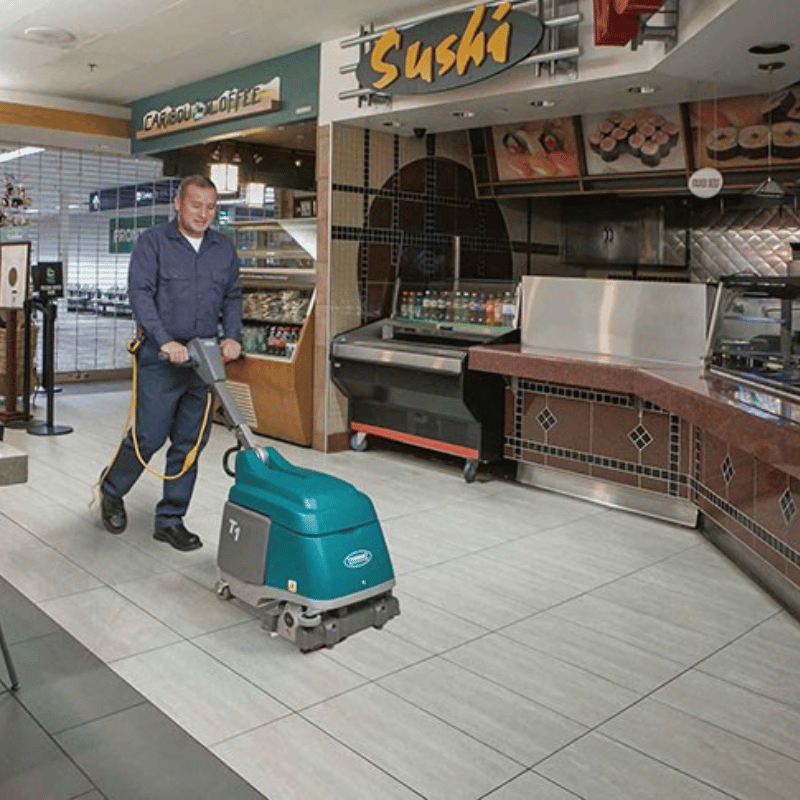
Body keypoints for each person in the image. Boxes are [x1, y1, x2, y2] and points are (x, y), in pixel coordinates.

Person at [98, 174, 242, 551]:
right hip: (161, 359)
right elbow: (140, 295)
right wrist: (165, 341)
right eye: (196, 205)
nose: (204, 214)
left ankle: (171, 519)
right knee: (148, 437)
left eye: (211, 207)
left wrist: (233, 336)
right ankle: (111, 490)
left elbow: (233, 297)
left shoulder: (223, 248)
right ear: (178, 204)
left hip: (204, 359)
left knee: (190, 442)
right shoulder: (153, 243)